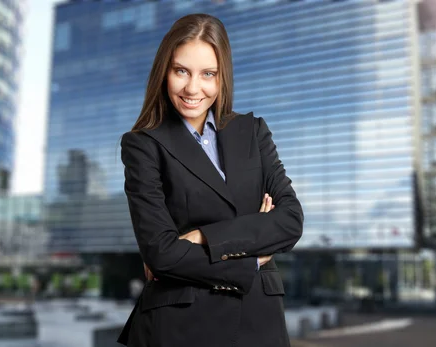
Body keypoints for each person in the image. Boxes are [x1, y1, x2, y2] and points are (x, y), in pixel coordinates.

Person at [116, 13, 304, 347]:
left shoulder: (252, 131)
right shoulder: (143, 145)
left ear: (221, 78)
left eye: (208, 74)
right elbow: (161, 253)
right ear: (165, 72)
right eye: (181, 71)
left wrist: (203, 237)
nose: (193, 88)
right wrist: (253, 256)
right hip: (181, 326)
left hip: (259, 322)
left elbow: (289, 221)